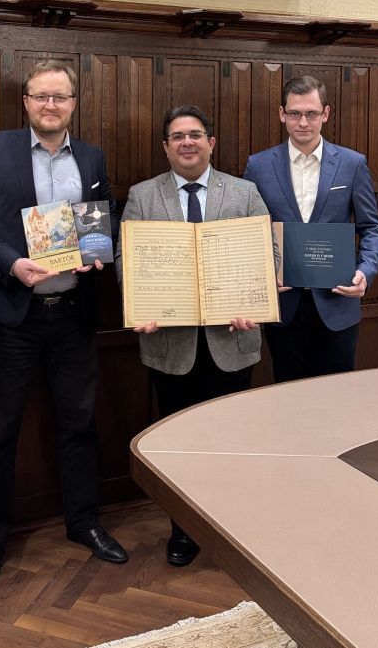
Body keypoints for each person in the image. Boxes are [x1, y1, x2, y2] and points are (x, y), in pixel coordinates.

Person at [0, 59, 127, 597]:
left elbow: (103, 216)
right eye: (41, 96)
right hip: (13, 313)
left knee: (80, 423)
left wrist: (100, 249)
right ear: (26, 102)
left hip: (73, 312)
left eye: (60, 97)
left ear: (73, 103)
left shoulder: (92, 156)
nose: (50, 105)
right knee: (0, 430)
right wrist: (12, 263)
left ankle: (84, 522)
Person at [116, 105, 268, 567]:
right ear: (166, 147)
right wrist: (140, 303)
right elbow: (126, 260)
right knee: (177, 443)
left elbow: (268, 252)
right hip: (170, 344)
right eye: (178, 136)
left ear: (211, 143)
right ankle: (183, 528)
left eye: (195, 135)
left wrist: (255, 301)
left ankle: (231, 528)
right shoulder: (143, 195)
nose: (187, 142)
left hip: (231, 342)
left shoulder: (243, 192)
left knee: (230, 441)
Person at [243, 75, 378, 383]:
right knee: (288, 393)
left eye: (311, 113)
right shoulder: (258, 166)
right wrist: (262, 276)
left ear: (326, 113)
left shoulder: (351, 163)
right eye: (295, 113)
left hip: (337, 303)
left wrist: (365, 272)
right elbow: (248, 233)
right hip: (285, 305)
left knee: (337, 395)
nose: (303, 122)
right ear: (282, 114)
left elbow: (372, 228)